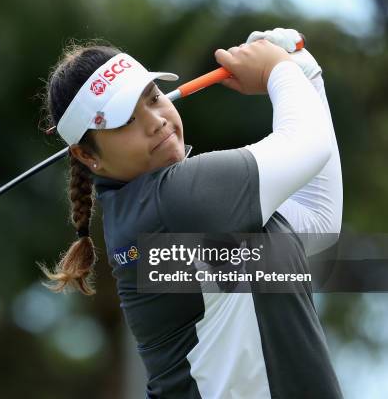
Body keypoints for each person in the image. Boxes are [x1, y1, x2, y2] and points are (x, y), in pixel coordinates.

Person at [39, 28, 343, 398]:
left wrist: (305, 76)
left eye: (153, 98)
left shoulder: (151, 211)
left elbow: (317, 221)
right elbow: (307, 146)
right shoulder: (172, 204)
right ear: (88, 156)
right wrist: (280, 69)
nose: (155, 121)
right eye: (125, 121)